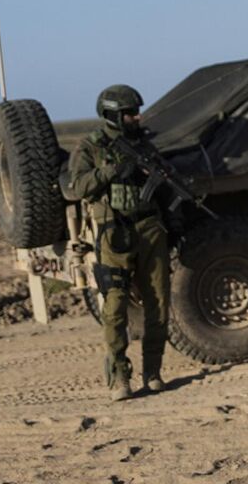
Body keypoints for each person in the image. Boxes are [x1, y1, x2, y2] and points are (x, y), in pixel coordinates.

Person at [62, 85, 171, 400]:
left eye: (136, 112)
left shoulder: (145, 144)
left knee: (159, 304)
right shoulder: (91, 147)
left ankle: (153, 372)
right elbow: (78, 185)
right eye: (129, 113)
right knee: (115, 307)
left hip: (150, 228)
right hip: (113, 232)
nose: (136, 117)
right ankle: (120, 378)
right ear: (112, 115)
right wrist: (112, 171)